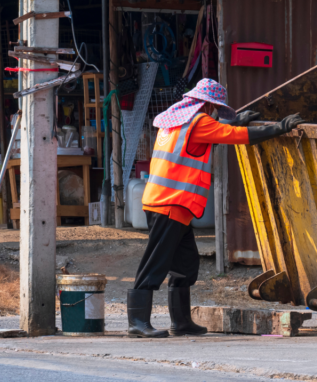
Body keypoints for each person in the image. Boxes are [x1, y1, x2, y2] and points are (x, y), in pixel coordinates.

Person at [127, 78, 303, 338]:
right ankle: (137, 322)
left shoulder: (174, 121)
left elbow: (211, 136)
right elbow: (234, 137)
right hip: (169, 204)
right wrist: (278, 128)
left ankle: (182, 322)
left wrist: (231, 123)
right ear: (208, 105)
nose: (214, 112)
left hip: (171, 204)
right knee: (155, 262)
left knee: (185, 265)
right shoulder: (199, 122)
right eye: (215, 108)